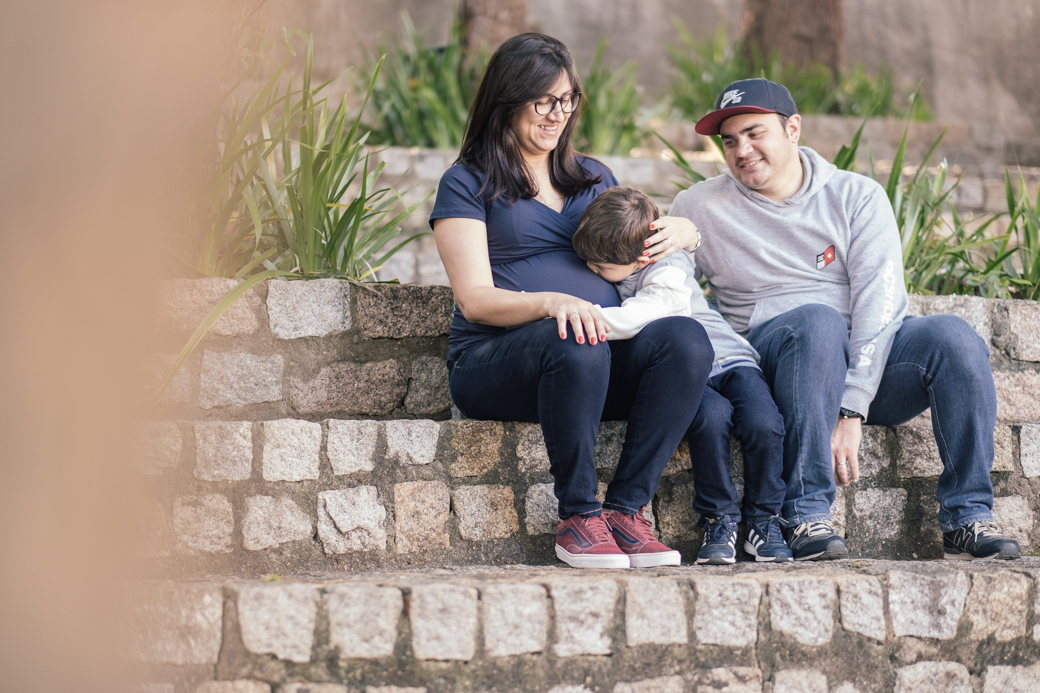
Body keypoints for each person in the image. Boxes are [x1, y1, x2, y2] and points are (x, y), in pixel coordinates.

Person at [667, 77, 1020, 561]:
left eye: (754, 133)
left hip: (862, 368)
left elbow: (881, 300)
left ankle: (967, 515)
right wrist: (730, 356)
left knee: (953, 337)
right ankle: (804, 512)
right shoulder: (698, 207)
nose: (741, 150)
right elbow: (670, 287)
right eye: (729, 141)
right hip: (776, 367)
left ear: (793, 129)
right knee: (819, 322)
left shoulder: (856, 196)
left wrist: (851, 406)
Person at [429, 34, 711, 570]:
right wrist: (551, 303)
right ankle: (579, 517)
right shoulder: (467, 183)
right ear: (507, 100)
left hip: (596, 360)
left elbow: (642, 256)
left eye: (567, 99)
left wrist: (684, 233)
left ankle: (626, 512)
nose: (558, 113)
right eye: (543, 101)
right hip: (499, 363)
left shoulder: (595, 178)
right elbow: (475, 301)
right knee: (575, 338)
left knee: (686, 338)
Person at [571, 186, 791, 564]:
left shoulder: (668, 265)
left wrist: (586, 320)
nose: (592, 270)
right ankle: (719, 518)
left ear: (641, 259)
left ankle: (765, 518)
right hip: (691, 374)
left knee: (764, 424)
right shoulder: (619, 255)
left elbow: (644, 314)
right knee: (711, 419)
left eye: (600, 267)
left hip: (730, 357)